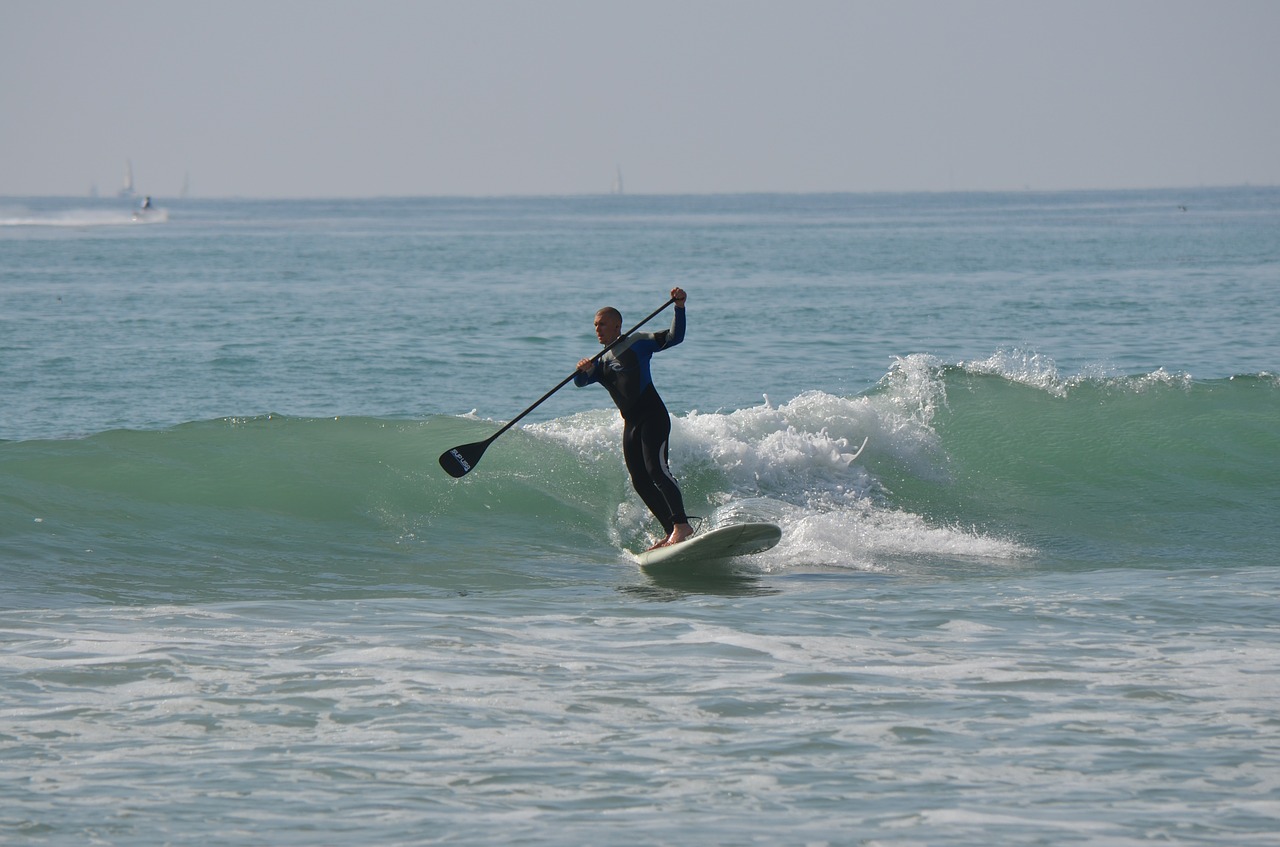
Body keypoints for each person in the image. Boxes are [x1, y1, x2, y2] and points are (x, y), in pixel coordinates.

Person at [575, 287, 693, 549]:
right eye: (595, 325)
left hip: (653, 416)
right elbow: (581, 383)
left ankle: (682, 524)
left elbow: (675, 337)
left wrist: (679, 307)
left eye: (603, 324)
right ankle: (671, 531)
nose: (598, 329)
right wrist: (582, 370)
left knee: (657, 471)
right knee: (639, 480)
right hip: (631, 424)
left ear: (617, 325)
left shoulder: (637, 342)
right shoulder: (601, 362)